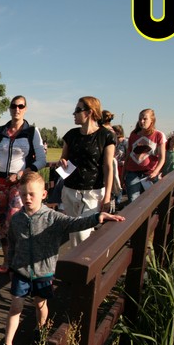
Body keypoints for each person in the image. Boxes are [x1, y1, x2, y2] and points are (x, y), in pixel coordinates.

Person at [0, 172, 125, 345]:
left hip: (43, 272)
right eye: (23, 194)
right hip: (21, 271)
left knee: (40, 304)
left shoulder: (52, 218)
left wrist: (98, 217)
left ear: (43, 194)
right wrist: (12, 266)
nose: (27, 198)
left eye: (32, 194)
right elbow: (12, 243)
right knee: (15, 306)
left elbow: (75, 223)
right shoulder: (16, 219)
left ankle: (40, 330)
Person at [0, 95, 46, 273]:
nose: (17, 109)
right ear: (10, 108)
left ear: (25, 109)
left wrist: (21, 174)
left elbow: (42, 160)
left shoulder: (32, 132)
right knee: (1, 223)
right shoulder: (0, 131)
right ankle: (7, 260)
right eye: (14, 106)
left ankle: (17, 259)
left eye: (20, 106)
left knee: (13, 220)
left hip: (20, 184)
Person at [57, 96, 115, 247]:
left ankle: (83, 260)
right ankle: (76, 258)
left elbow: (108, 167)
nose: (74, 114)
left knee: (81, 233)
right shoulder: (71, 135)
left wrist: (107, 196)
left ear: (89, 112)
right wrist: (62, 162)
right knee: (73, 232)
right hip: (70, 190)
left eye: (78, 110)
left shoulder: (106, 136)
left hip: (92, 193)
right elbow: (63, 158)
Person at [123, 108, 166, 202]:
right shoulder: (134, 134)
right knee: (133, 200)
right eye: (140, 119)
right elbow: (128, 155)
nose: (142, 121)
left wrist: (155, 172)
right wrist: (123, 174)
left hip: (149, 174)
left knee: (149, 201)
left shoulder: (158, 135)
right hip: (133, 172)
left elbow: (162, 157)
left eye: (145, 119)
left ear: (152, 120)